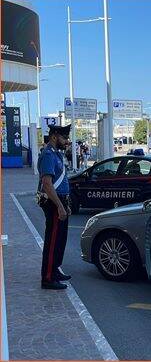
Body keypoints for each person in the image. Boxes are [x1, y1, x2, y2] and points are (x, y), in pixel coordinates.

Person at [37, 124, 72, 290]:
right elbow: (47, 183)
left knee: (60, 240)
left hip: (60, 201)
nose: (66, 141)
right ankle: (48, 278)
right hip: (53, 202)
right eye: (64, 138)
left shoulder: (57, 154)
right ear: (54, 136)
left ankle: (55, 270)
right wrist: (59, 205)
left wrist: (66, 204)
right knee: (52, 241)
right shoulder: (48, 155)